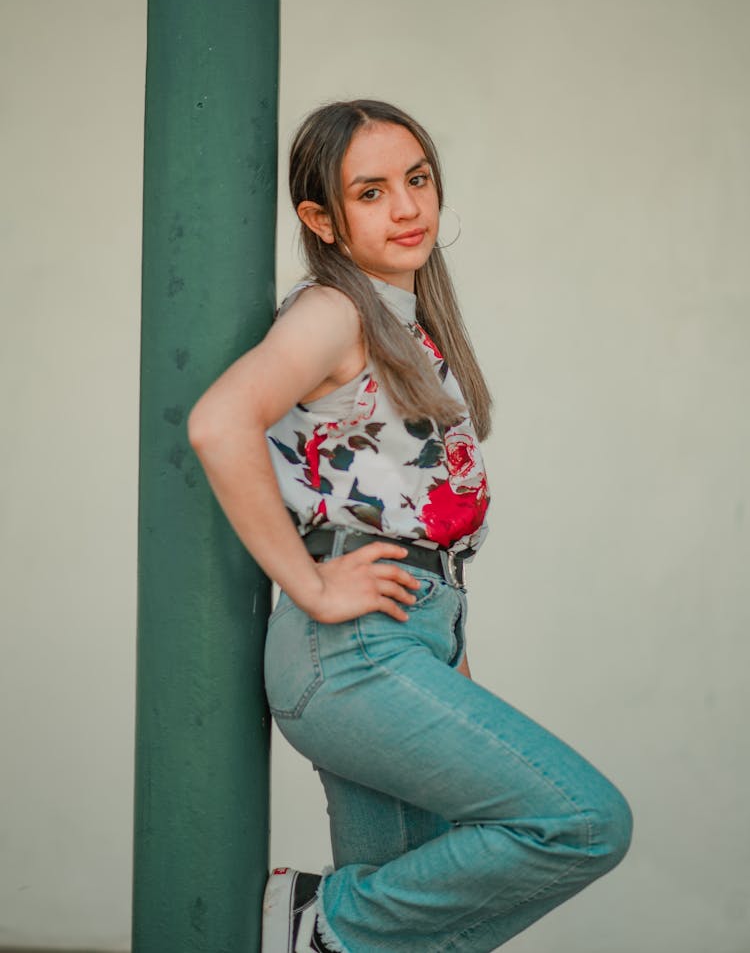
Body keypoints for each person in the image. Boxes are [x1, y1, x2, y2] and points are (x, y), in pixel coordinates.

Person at [188, 99, 632, 953]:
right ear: (320, 218)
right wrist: (310, 581)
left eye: (418, 179)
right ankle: (320, 925)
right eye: (371, 191)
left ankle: (333, 935)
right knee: (583, 820)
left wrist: (450, 655)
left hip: (407, 641)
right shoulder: (334, 312)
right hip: (353, 655)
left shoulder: (401, 322)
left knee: (415, 933)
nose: (407, 207)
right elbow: (218, 423)